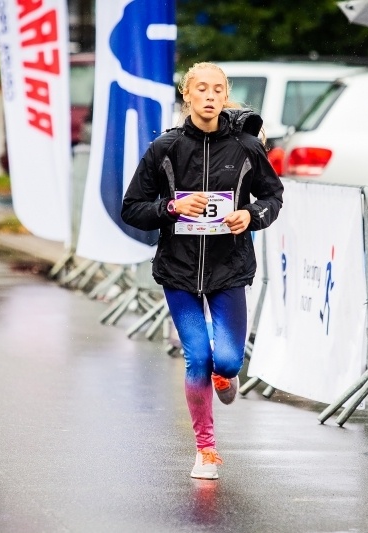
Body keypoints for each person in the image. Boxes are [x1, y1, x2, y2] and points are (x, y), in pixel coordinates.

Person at [121, 62, 284, 480]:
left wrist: (251, 216)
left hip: (228, 269)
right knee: (197, 357)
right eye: (202, 89)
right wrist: (171, 208)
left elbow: (272, 196)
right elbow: (132, 208)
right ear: (187, 95)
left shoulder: (247, 147)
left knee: (227, 360)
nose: (210, 96)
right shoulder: (165, 149)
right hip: (178, 272)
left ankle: (225, 376)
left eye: (218, 90)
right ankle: (206, 449)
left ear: (225, 95)